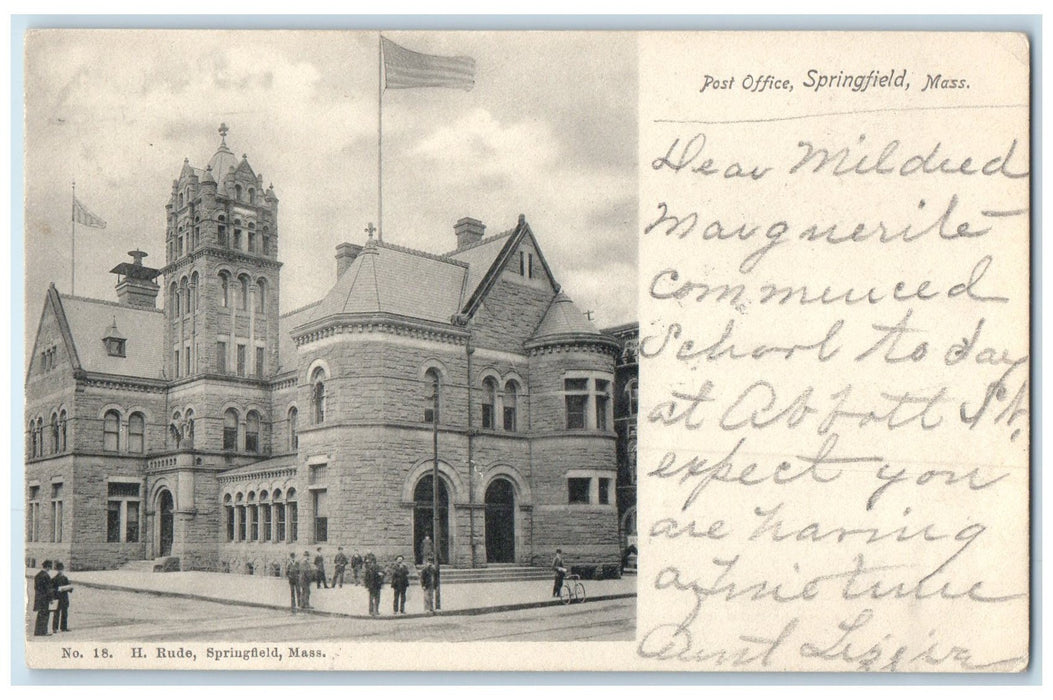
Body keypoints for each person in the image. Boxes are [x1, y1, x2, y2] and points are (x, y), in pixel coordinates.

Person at [32, 560, 53, 636]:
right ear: (47, 567)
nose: (49, 569)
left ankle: (37, 631)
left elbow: (36, 587)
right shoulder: (46, 576)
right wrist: (51, 599)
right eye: (49, 567)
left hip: (39, 597)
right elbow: (48, 589)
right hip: (45, 598)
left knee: (40, 614)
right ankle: (43, 631)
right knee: (45, 615)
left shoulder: (37, 575)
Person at [51, 562, 72, 632]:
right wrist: (57, 590)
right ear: (57, 570)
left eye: (61, 569)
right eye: (59, 569)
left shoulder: (65, 578)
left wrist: (69, 588)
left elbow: (69, 587)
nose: (60, 571)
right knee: (56, 613)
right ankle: (55, 628)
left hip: (64, 597)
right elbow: (52, 589)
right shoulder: (54, 579)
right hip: (57, 597)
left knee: (65, 613)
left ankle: (64, 627)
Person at [364, 552, 383, 616]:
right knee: (372, 599)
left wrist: (381, 575)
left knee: (376, 599)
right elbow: (366, 578)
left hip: (377, 585)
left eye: (372, 562)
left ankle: (375, 611)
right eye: (370, 562)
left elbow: (383, 574)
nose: (371, 563)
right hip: (372, 586)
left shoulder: (378, 567)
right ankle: (372, 611)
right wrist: (367, 585)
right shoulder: (368, 569)